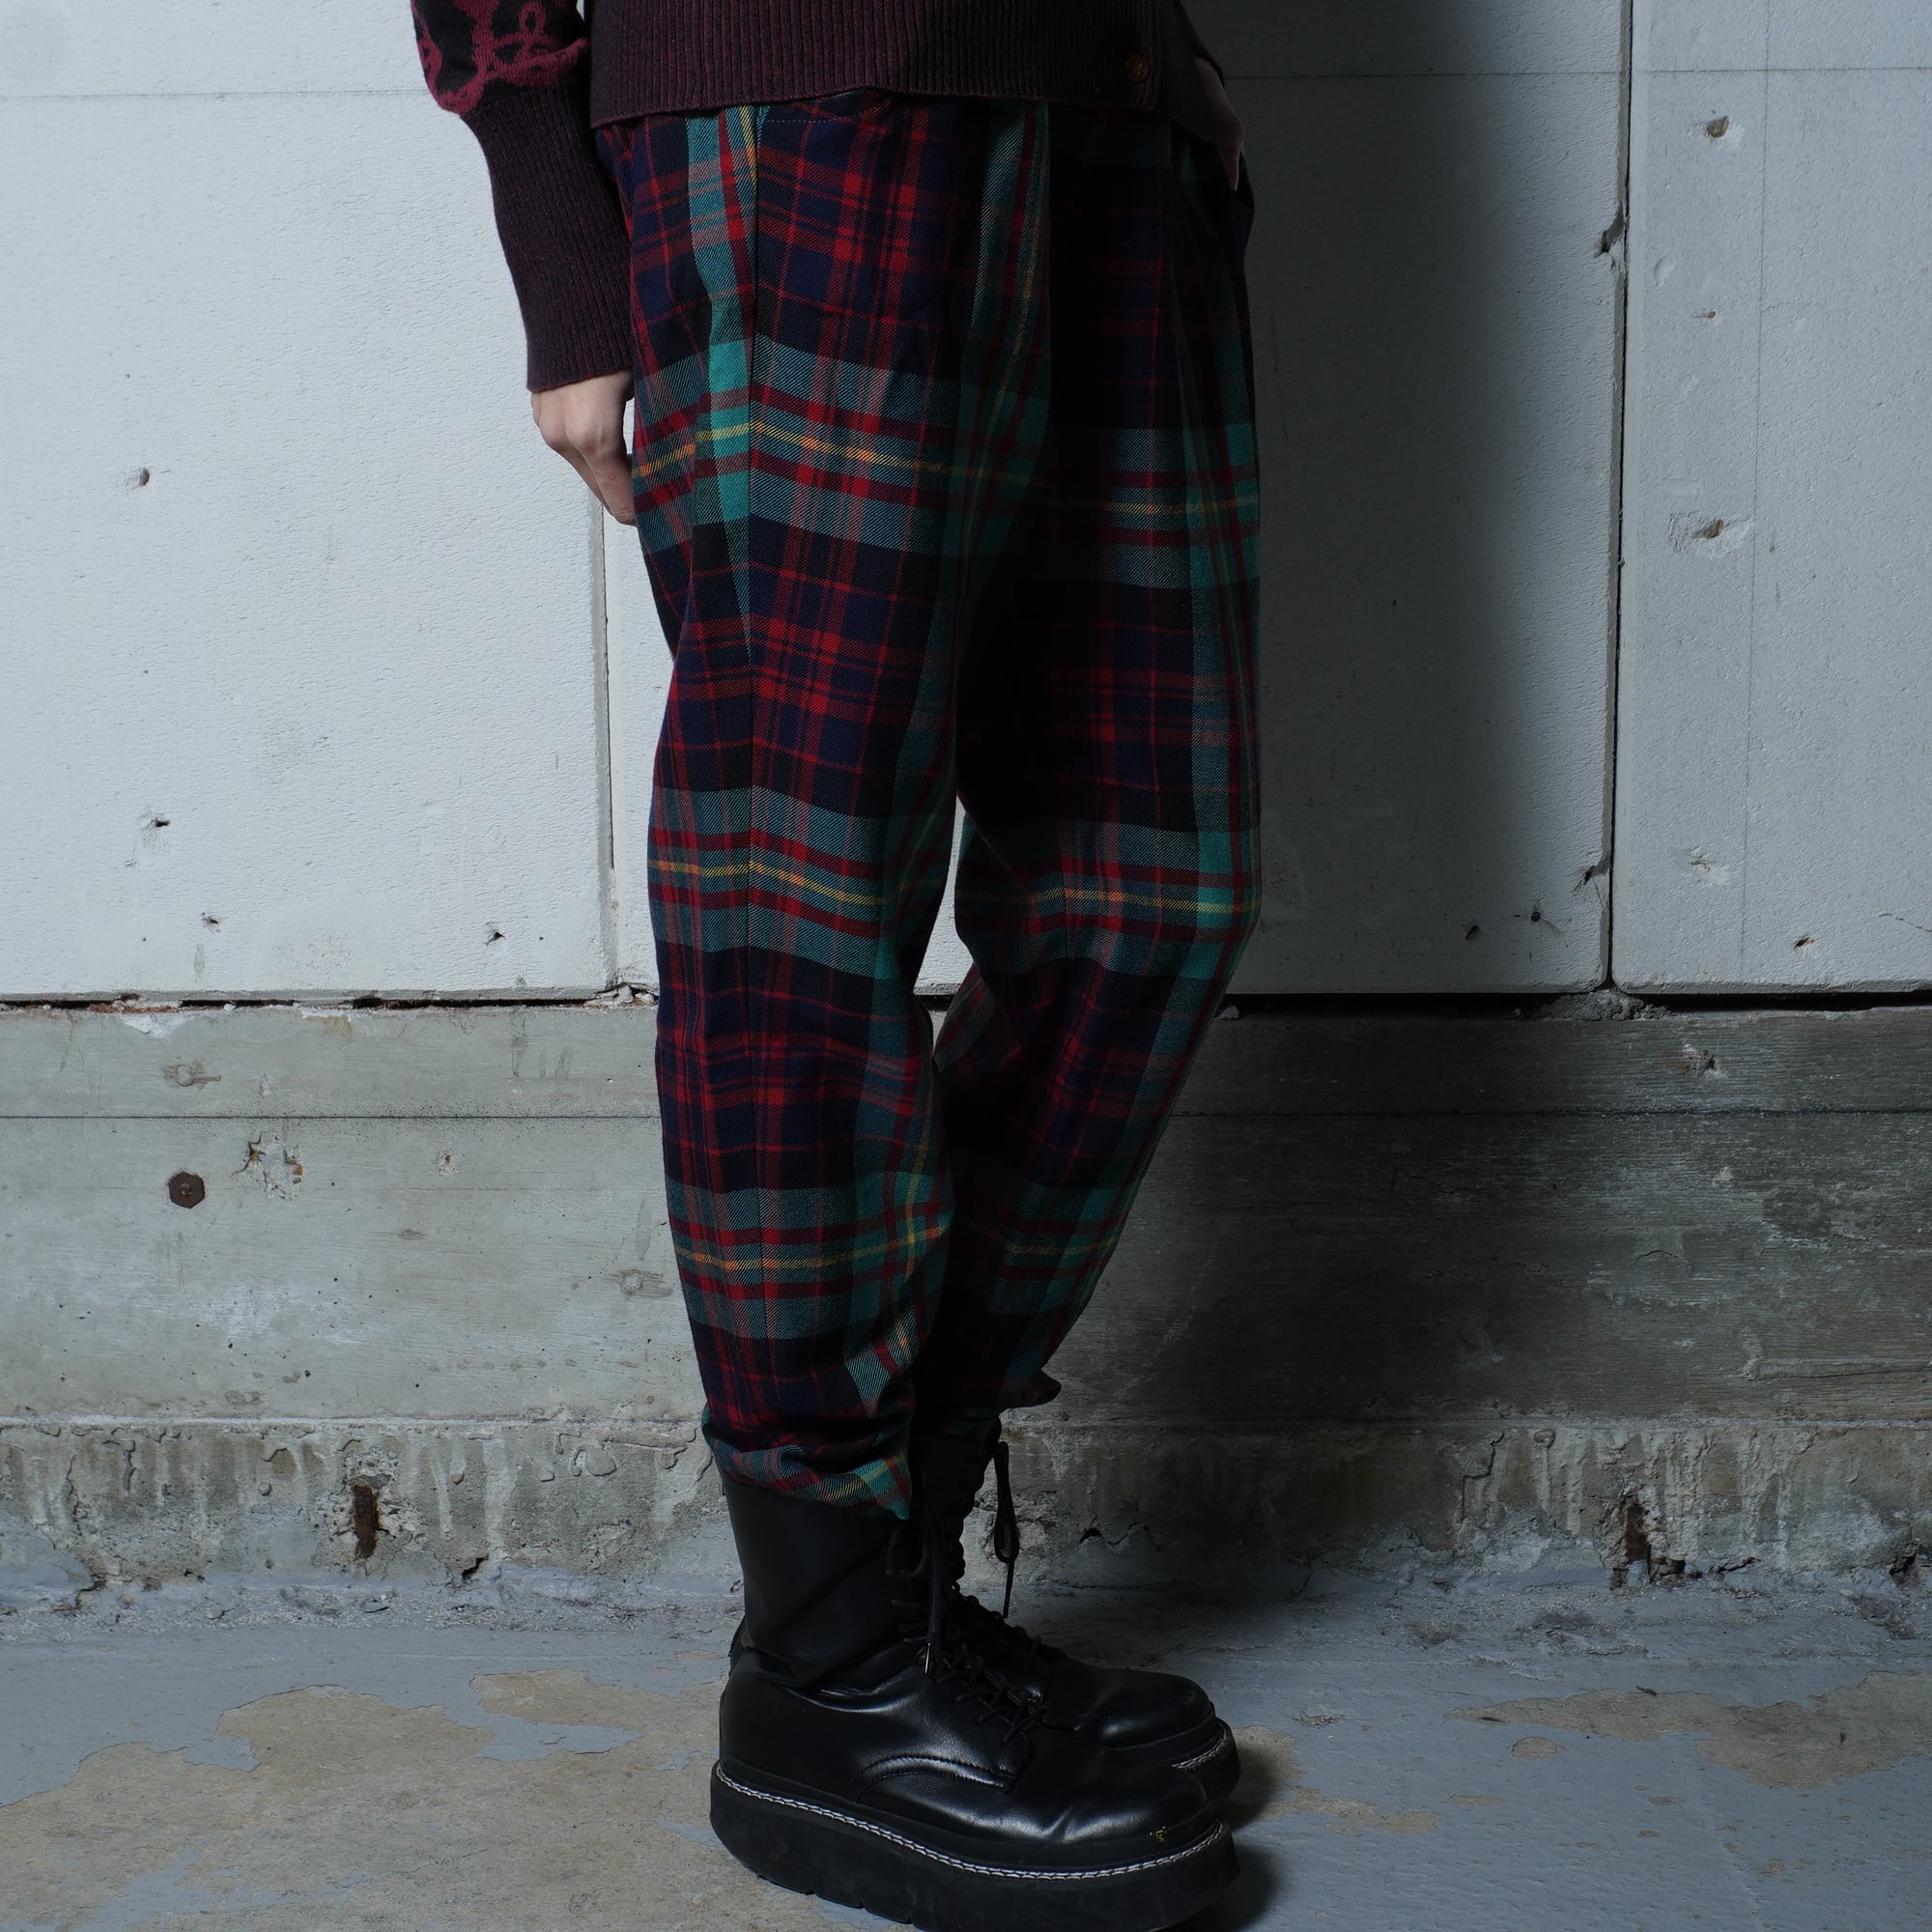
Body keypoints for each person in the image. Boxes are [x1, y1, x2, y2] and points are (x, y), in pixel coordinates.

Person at [410, 3, 1262, 1925]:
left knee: (1156, 883)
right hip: (801, 119)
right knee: (801, 901)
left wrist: (1177, 65)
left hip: (1104, 115)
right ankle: (831, 1669)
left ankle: (895, 1580)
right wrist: (556, 221)